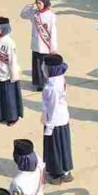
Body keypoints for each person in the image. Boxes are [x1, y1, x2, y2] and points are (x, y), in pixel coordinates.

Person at [41, 54, 73, 184]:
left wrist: (49, 127)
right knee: (63, 146)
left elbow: (52, 108)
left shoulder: (52, 87)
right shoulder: (60, 78)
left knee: (55, 148)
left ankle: (56, 174)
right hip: (62, 118)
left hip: (55, 121)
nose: (43, 68)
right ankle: (65, 171)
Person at [20, 0, 58, 92]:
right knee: (36, 66)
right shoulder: (34, 14)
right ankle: (38, 83)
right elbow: (22, 15)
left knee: (44, 66)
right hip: (36, 44)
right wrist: (31, 5)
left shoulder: (51, 16)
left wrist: (53, 48)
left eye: (39, 3)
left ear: (45, 3)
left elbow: (53, 33)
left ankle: (46, 82)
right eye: (37, 3)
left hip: (45, 46)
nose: (38, 5)